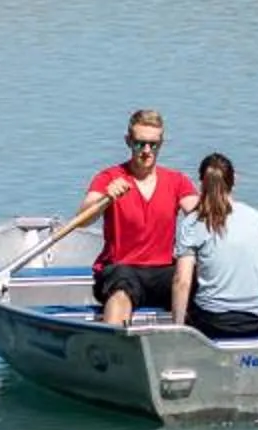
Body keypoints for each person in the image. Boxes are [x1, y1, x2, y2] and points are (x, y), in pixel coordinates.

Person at [81, 108, 195, 327]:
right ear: (128, 142)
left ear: (161, 144)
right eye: (140, 144)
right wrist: (105, 198)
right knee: (121, 287)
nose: (146, 151)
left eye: (153, 145)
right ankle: (114, 341)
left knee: (195, 278)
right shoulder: (109, 178)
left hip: (163, 271)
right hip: (121, 268)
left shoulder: (177, 181)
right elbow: (83, 218)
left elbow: (202, 213)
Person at [171, 152, 258, 339]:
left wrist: (178, 328)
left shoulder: (192, 224)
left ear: (201, 183)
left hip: (213, 323)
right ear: (235, 180)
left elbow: (182, 282)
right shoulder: (257, 219)